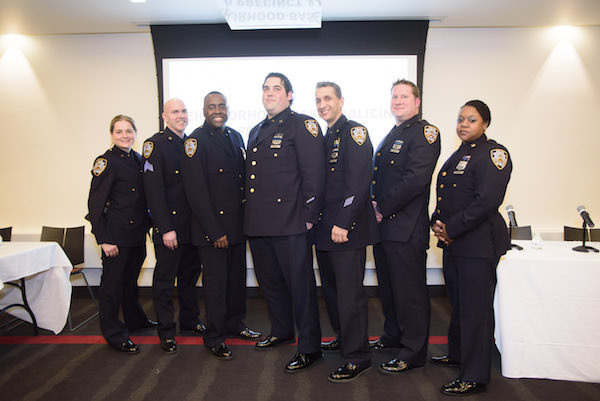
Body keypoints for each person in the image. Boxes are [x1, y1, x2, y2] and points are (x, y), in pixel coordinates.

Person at [245, 72, 326, 373]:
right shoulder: (256, 130)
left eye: (276, 88)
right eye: (265, 88)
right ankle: (281, 330)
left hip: (292, 223)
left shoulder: (302, 125)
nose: (269, 93)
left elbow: (314, 175)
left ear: (289, 94)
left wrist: (308, 217)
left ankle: (310, 348)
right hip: (260, 224)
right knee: (271, 284)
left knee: (300, 288)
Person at [430, 100, 512, 396]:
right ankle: (459, 354)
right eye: (460, 119)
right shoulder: (460, 154)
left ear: (485, 123)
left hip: (476, 243)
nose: (463, 124)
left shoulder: (494, 154)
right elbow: (446, 197)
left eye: (471, 119)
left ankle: (475, 375)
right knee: (460, 304)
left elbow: (486, 202)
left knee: (476, 309)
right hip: (454, 243)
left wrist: (450, 228)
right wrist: (437, 223)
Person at [181, 91, 261, 360]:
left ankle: (234, 324)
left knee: (235, 282)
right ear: (203, 111)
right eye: (211, 107)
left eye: (221, 106)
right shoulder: (195, 141)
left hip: (237, 226)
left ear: (227, 109)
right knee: (216, 286)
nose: (217, 111)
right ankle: (214, 336)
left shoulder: (235, 136)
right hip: (212, 231)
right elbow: (196, 193)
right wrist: (215, 231)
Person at [371, 79, 441, 374]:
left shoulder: (426, 133)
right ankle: (393, 336)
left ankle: (413, 352)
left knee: (410, 293)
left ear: (417, 102)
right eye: (394, 96)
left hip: (405, 228)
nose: (398, 101)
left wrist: (381, 208)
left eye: (403, 96)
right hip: (385, 228)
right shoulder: (394, 133)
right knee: (389, 289)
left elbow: (414, 180)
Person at [314, 82, 379, 382]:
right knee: (333, 292)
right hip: (325, 230)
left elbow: (358, 182)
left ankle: (357, 356)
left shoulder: (355, 132)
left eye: (328, 98)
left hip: (345, 230)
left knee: (350, 295)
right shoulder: (326, 137)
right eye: (318, 100)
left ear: (341, 100)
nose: (322, 104)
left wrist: (344, 222)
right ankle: (344, 338)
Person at [86, 114, 157, 354]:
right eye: (119, 131)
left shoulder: (138, 159)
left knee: (129, 283)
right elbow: (95, 205)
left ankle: (135, 320)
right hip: (115, 236)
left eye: (129, 131)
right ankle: (114, 333)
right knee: (112, 287)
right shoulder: (106, 162)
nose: (125, 135)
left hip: (136, 235)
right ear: (111, 134)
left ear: (135, 133)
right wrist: (104, 239)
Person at [142, 98, 205, 354]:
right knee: (165, 283)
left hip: (191, 228)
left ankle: (189, 321)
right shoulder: (154, 145)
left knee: (189, 279)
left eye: (183, 111)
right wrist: (165, 228)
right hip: (170, 229)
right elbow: (154, 192)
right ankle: (166, 332)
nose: (180, 115)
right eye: (175, 112)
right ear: (164, 116)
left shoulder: (190, 144)